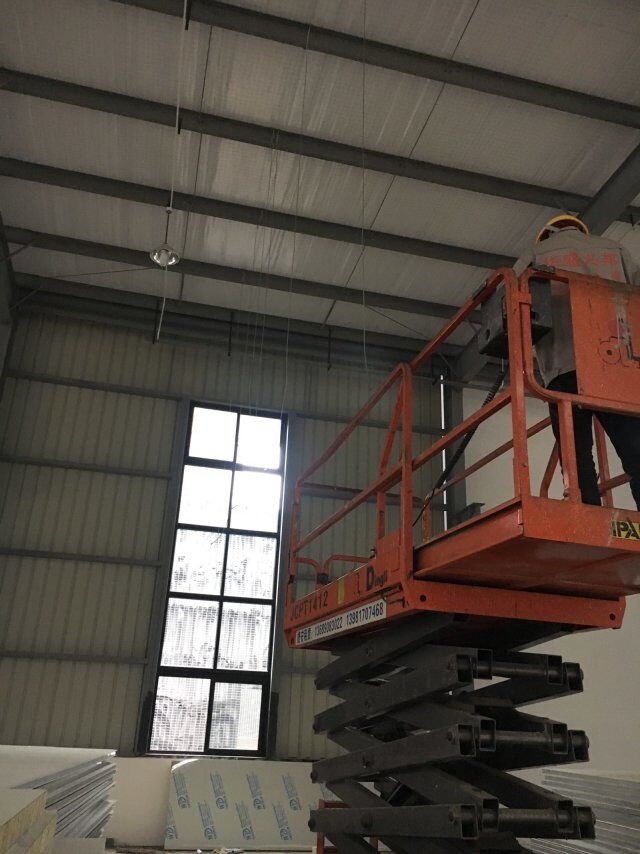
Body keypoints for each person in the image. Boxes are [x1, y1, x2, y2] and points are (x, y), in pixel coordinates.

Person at [514, 214, 640, 509]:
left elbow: (509, 300)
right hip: (615, 365)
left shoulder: (536, 253)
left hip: (563, 365)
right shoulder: (616, 250)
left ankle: (588, 514)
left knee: (576, 453)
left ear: (548, 233)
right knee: (635, 448)